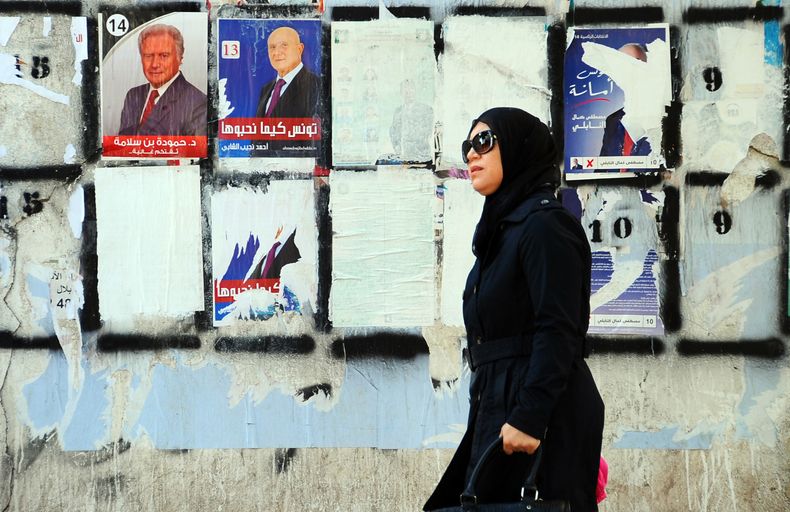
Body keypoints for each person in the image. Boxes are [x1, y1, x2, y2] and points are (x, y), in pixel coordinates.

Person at [423, 108, 605, 511]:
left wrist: (531, 415)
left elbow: (559, 329)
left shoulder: (545, 227)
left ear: (520, 149)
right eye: (467, 145)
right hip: (501, 404)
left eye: (485, 142)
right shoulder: (503, 231)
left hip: (536, 412)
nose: (472, 154)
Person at [118, 24, 207, 136]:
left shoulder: (198, 103)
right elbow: (121, 145)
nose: (154, 64)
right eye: (148, 56)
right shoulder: (133, 95)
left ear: (180, 58)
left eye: (164, 56)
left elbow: (194, 151)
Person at [254, 26, 319, 119]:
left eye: (284, 45)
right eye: (272, 47)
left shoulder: (315, 85)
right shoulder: (266, 89)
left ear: (299, 49)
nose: (276, 52)